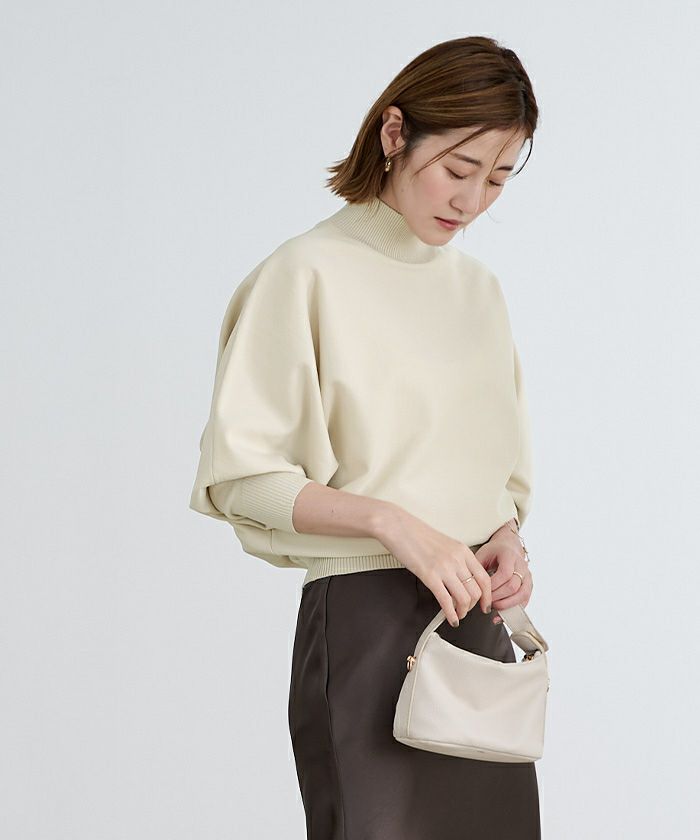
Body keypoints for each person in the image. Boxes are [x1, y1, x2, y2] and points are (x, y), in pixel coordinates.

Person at [189, 34, 541, 840]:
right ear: (394, 132)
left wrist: (505, 540)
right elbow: (243, 478)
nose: (473, 200)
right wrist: (392, 523)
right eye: (459, 169)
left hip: (475, 632)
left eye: (497, 178)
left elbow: (495, 476)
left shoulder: (479, 293)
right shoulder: (304, 273)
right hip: (365, 626)